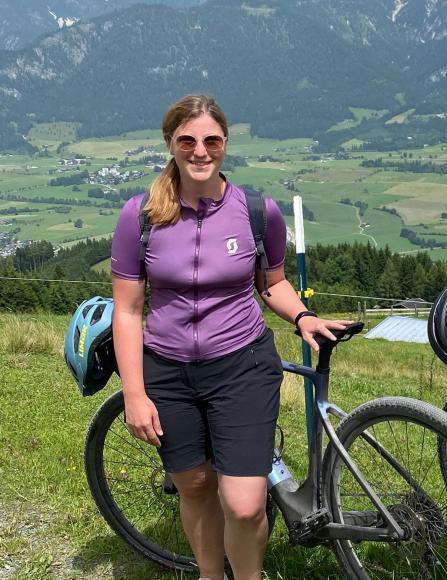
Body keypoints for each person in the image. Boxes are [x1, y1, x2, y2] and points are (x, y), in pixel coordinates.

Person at [110, 95, 352, 580]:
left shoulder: (258, 212)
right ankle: (209, 574)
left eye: (211, 140)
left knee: (243, 504)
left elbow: (274, 282)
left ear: (225, 144)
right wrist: (134, 394)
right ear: (170, 144)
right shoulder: (140, 216)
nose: (200, 151)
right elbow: (128, 310)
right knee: (196, 486)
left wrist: (301, 317)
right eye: (188, 140)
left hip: (242, 365)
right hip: (168, 370)